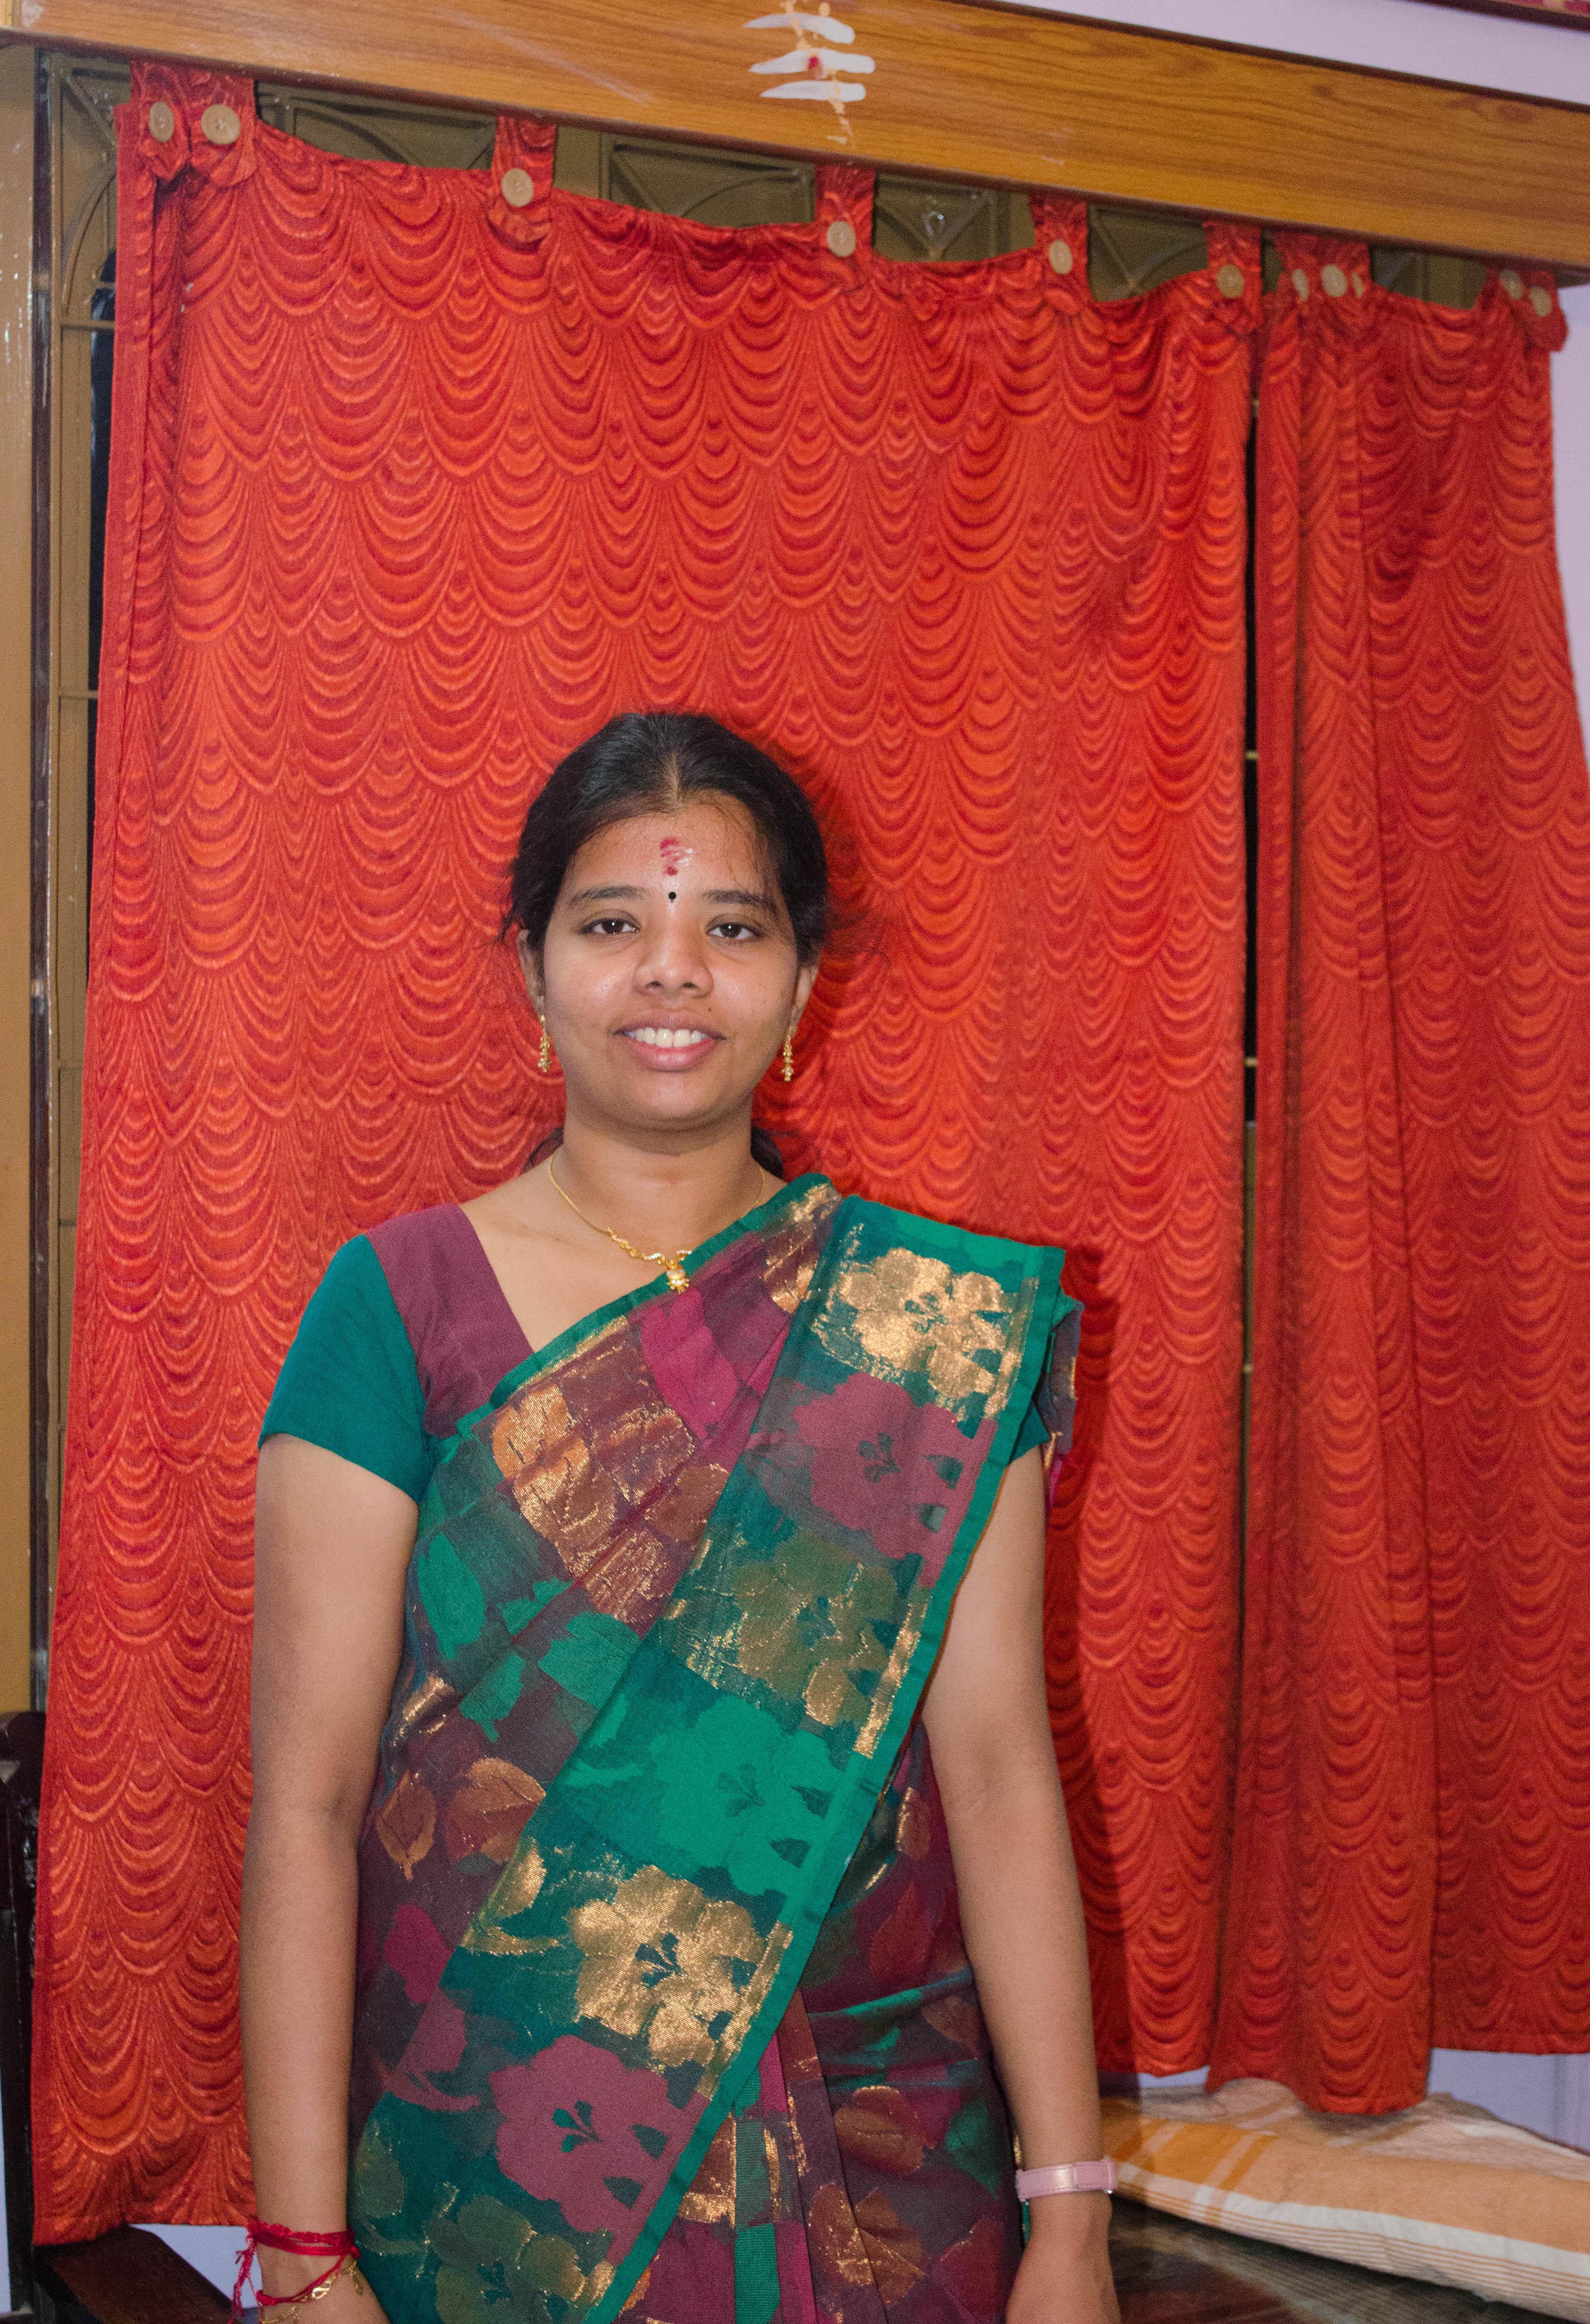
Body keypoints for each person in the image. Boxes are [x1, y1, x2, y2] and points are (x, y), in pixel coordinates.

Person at [241, 712, 1119, 2324]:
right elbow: (308, 1802)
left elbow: (997, 1774)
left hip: (879, 2157)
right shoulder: (396, 1309)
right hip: (497, 2160)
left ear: (802, 981)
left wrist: (1069, 2221)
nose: (672, 972)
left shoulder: (930, 1333)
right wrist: (302, 2261)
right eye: (610, 926)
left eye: (732, 928)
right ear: (531, 969)